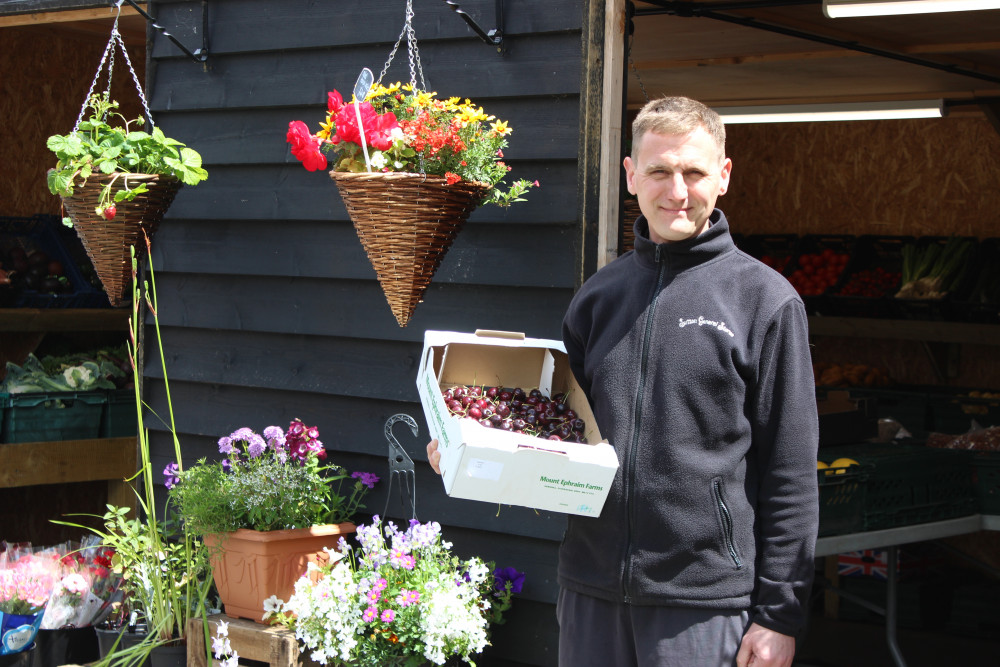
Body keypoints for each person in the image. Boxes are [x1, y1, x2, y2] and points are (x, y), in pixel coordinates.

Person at [428, 95, 819, 667]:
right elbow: (561, 449)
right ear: (631, 175)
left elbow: (791, 474)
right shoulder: (597, 299)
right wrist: (468, 457)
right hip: (590, 592)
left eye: (694, 172)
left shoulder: (765, 302)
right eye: (659, 171)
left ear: (725, 177)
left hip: (703, 605)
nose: (676, 192)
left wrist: (779, 615)